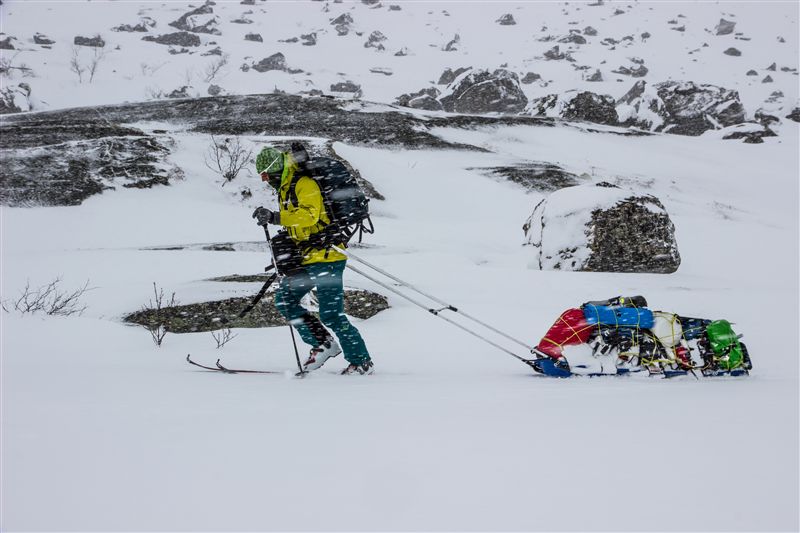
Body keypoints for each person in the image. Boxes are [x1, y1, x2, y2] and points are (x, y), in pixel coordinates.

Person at [252, 145, 373, 375]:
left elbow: (309, 215)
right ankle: (323, 344)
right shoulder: (286, 188)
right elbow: (299, 224)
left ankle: (361, 362)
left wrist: (276, 217)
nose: (265, 180)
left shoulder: (303, 183)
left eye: (266, 175)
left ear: (275, 169)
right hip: (306, 257)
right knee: (285, 300)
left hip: (327, 257)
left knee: (331, 314)